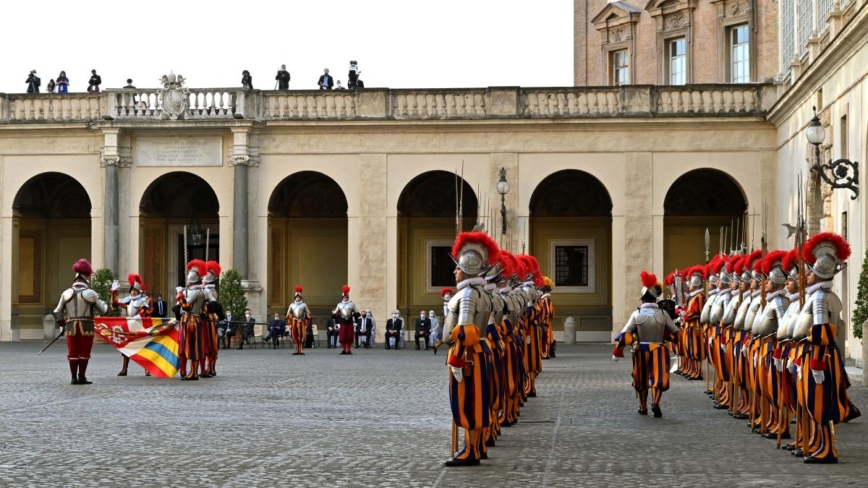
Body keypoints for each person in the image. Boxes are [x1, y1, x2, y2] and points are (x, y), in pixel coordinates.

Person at [793, 232, 855, 463]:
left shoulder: (820, 298)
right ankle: (817, 443)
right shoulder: (817, 295)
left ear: (819, 272)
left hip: (821, 356)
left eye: (811, 271)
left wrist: (815, 361)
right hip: (817, 354)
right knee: (812, 403)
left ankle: (828, 449)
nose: (807, 274)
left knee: (822, 404)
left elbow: (822, 333)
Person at [443, 231, 499, 467]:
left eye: (457, 268)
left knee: (469, 404)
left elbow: (467, 332)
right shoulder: (478, 292)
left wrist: (456, 360)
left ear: (465, 268)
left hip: (468, 356)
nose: (454, 272)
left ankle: (471, 451)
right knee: (474, 402)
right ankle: (474, 447)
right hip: (474, 355)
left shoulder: (467, 294)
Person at [612, 272, 679, 418]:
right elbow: (675, 333)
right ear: (656, 298)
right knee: (659, 378)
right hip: (659, 350)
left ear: (643, 299)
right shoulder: (663, 314)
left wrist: (618, 350)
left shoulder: (636, 314)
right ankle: (655, 401)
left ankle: (642, 407)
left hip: (641, 349)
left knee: (640, 380)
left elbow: (625, 334)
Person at [53, 259, 108, 385]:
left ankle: (73, 377)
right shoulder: (91, 293)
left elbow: (58, 311)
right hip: (86, 325)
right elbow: (104, 310)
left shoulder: (66, 293)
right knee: (84, 351)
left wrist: (62, 325)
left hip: (71, 325)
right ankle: (81, 376)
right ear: (85, 278)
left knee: (73, 351)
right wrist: (104, 302)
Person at [110, 273, 152, 377]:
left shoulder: (143, 300)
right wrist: (113, 291)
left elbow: (145, 309)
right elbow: (115, 304)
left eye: (135, 290)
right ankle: (124, 369)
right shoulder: (128, 301)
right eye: (132, 290)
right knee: (126, 348)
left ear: (138, 291)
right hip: (129, 326)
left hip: (139, 326)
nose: (133, 292)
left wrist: (139, 315)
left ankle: (147, 369)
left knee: (143, 348)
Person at [178, 260, 207, 380]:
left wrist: (180, 296)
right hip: (187, 320)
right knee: (185, 346)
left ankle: (194, 372)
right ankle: (189, 371)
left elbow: (186, 306)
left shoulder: (196, 292)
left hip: (192, 321)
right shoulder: (192, 291)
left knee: (193, 347)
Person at [201, 261, 225, 377]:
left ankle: (209, 368)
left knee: (207, 343)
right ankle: (211, 368)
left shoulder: (206, 291)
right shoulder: (213, 290)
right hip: (213, 319)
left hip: (206, 320)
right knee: (213, 343)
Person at [332, 285, 360, 354]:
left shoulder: (352, 304)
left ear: (348, 298)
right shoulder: (339, 304)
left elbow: (357, 313)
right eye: (344, 297)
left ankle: (348, 350)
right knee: (343, 337)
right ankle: (344, 350)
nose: (345, 298)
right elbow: (335, 314)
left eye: (346, 297)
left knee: (349, 336)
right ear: (342, 298)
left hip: (350, 322)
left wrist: (356, 321)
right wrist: (337, 323)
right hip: (342, 322)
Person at [287, 285, 311, 355]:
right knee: (295, 336)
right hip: (294, 322)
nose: (297, 298)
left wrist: (306, 323)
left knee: (301, 336)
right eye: (296, 297)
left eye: (298, 297)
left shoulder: (304, 305)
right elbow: (288, 315)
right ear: (295, 298)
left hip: (301, 322)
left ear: (300, 298)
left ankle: (301, 350)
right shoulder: (291, 305)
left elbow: (308, 315)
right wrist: (290, 324)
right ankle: (296, 349)